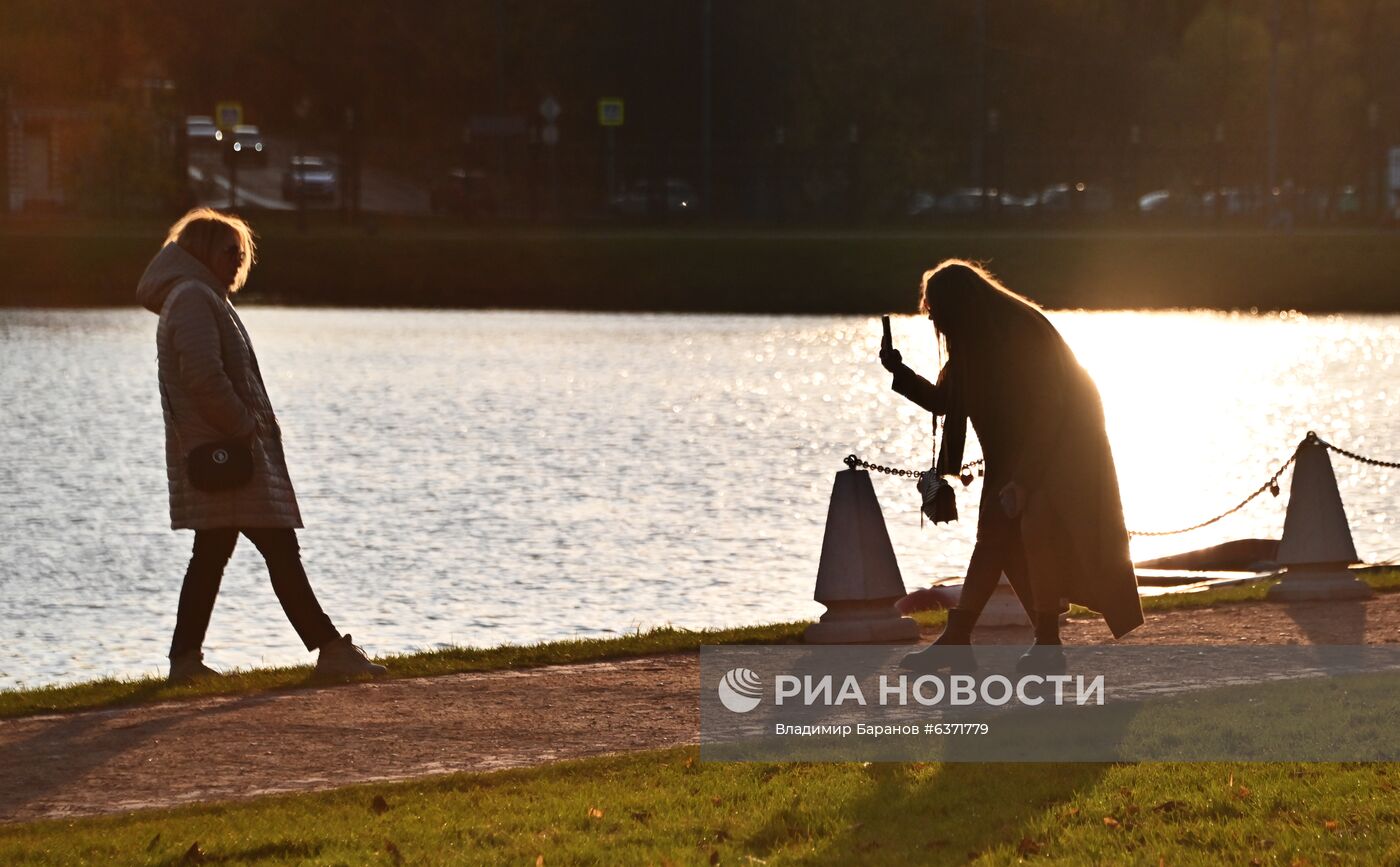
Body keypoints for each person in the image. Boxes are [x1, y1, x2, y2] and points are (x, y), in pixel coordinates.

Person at [136, 208, 387, 684]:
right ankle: (330, 649)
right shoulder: (192, 297)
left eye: (241, 253)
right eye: (229, 251)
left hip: (224, 457)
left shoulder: (199, 295)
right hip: (228, 457)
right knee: (277, 551)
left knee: (213, 557)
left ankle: (185, 661)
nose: (237, 261)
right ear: (203, 251)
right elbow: (203, 376)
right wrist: (244, 427)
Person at [881, 260, 1142, 671]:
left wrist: (1024, 480)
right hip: (1011, 453)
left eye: (937, 313)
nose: (936, 323)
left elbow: (1050, 411)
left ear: (958, 307)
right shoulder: (973, 340)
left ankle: (1038, 645)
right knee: (993, 538)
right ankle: (976, 639)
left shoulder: (1021, 332)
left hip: (1060, 450)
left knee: (1034, 530)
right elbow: (947, 401)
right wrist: (899, 371)